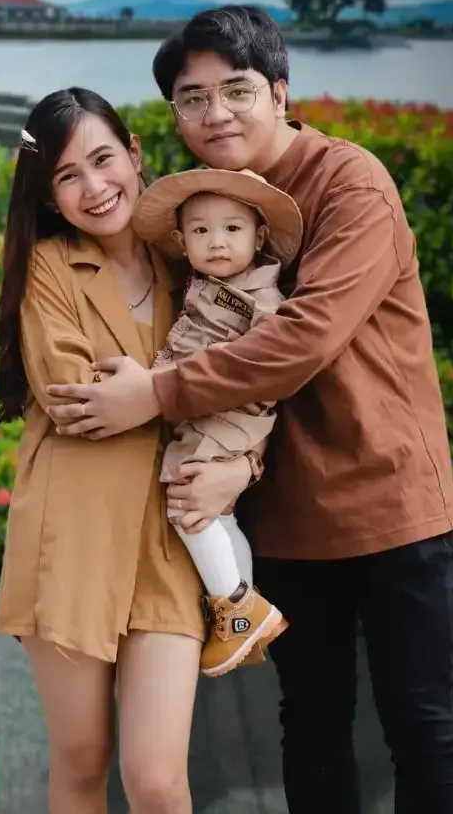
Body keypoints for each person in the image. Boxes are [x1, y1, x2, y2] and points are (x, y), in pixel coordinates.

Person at [43, 6, 453, 814]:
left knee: (422, 730)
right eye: (191, 100)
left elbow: (306, 338)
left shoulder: (350, 182)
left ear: (279, 91)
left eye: (235, 91)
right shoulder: (200, 209)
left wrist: (156, 393)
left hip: (391, 508)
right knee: (310, 729)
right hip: (282, 519)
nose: (215, 115)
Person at [0, 86, 206, 814]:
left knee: (155, 779)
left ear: (135, 154)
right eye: (67, 176)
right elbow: (72, 398)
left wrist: (147, 392)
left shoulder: (194, 255)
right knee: (82, 761)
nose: (94, 187)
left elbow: (246, 377)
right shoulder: (49, 266)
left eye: (103, 159)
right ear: (50, 197)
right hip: (71, 531)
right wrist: (184, 392)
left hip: (172, 537)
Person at [131, 166, 303, 676]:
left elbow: (275, 360)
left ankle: (234, 606)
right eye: (202, 231)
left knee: (188, 504)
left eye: (232, 229)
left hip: (228, 417)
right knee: (219, 513)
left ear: (259, 236)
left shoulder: (264, 293)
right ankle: (242, 614)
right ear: (183, 242)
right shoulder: (199, 284)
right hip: (208, 416)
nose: (218, 242)